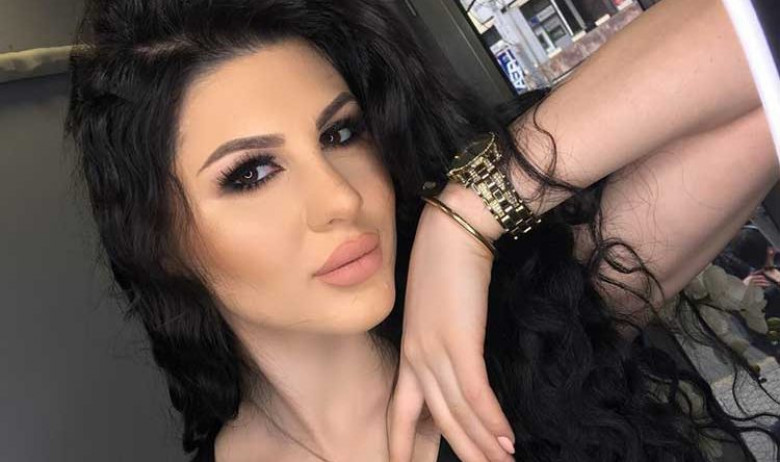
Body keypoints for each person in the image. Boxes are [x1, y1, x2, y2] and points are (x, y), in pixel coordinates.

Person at [63, 0, 779, 461]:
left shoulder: (528, 329)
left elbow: (751, 53)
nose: (339, 197)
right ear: (161, 241)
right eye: (251, 173)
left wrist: (466, 217)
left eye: (341, 133)